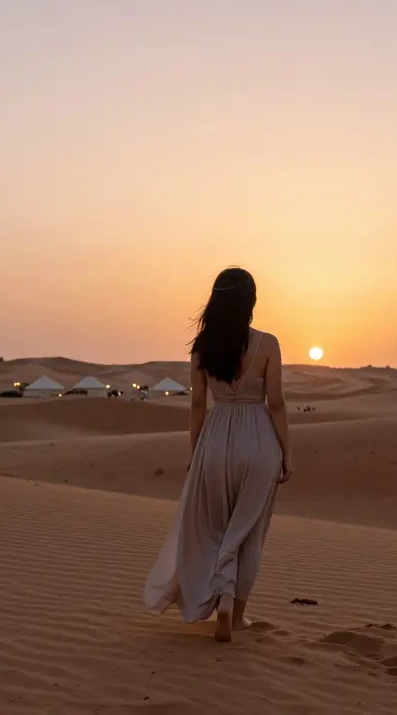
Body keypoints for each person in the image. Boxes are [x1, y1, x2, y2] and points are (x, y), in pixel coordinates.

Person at [143, 267, 293, 642]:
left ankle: (221, 597)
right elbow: (275, 402)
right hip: (258, 439)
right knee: (248, 532)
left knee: (216, 528)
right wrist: (286, 452)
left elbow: (197, 402)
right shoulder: (268, 343)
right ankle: (234, 611)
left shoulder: (201, 347)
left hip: (216, 437)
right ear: (251, 302)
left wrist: (197, 451)